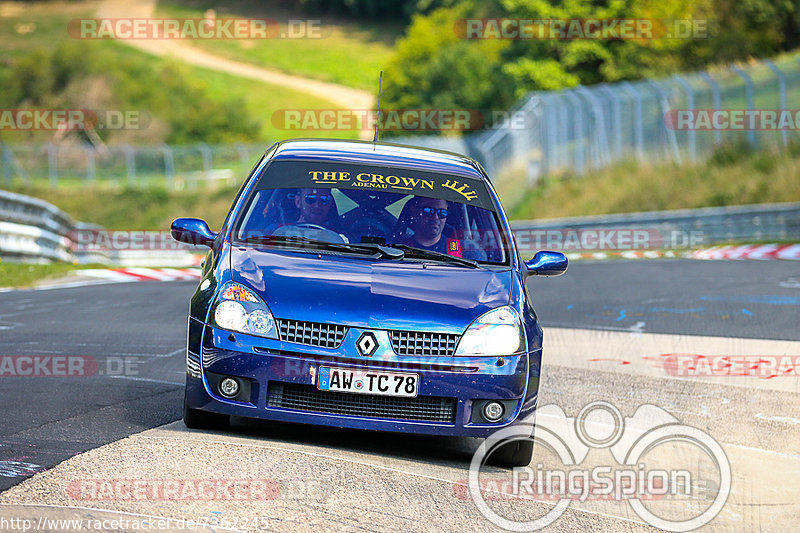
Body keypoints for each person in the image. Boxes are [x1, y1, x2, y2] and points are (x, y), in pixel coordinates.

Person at [402, 197, 486, 261]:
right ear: (414, 212)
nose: (436, 217)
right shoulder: (399, 251)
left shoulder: (466, 253)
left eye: (442, 213)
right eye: (428, 211)